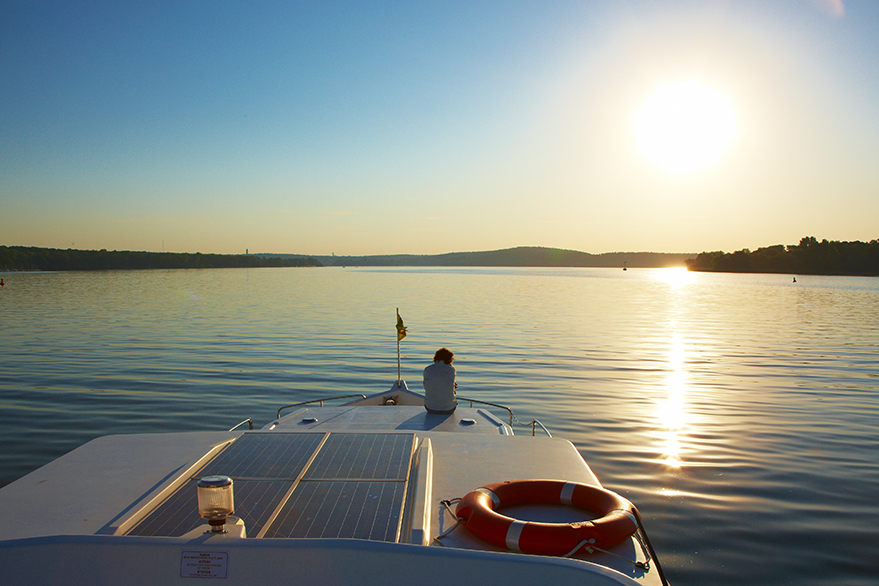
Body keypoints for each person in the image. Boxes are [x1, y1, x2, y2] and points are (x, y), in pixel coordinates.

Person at [423, 347, 458, 414]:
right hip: (449, 409)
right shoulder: (451, 370)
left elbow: (426, 385)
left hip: (430, 408)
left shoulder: (427, 369)